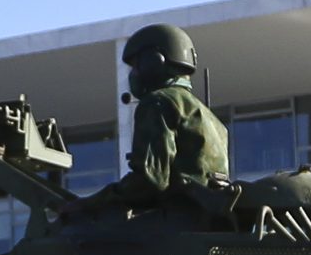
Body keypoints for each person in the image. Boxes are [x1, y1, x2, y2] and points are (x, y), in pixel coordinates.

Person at [67, 23, 230, 217]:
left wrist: (88, 204)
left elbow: (150, 181)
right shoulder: (210, 117)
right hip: (206, 222)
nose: (133, 74)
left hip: (174, 225)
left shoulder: (158, 102)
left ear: (154, 62)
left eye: (136, 66)